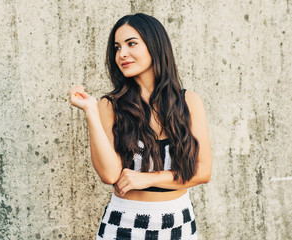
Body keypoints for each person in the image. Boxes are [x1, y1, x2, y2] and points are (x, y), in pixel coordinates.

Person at [69, 13, 212, 240]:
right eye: (117, 47)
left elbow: (202, 172)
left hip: (179, 223)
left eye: (131, 44)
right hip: (125, 224)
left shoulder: (189, 102)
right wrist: (91, 112)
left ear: (155, 45)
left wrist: (149, 178)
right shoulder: (110, 105)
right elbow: (110, 174)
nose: (121, 54)